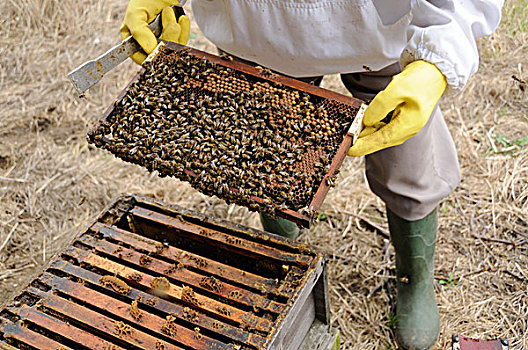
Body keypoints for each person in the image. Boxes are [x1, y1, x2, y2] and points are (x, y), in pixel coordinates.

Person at [120, 1, 504, 349]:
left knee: (408, 157)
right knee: (270, 157)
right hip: (256, 29)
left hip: (382, 27)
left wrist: (440, 54)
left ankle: (415, 278)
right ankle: (287, 264)